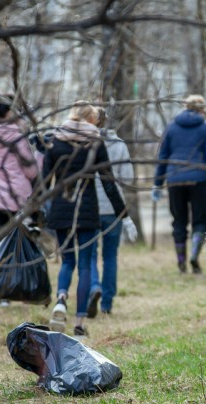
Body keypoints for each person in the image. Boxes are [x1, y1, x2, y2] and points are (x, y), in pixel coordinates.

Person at [42, 101, 127, 337]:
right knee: (86, 264)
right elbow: (108, 181)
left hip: (61, 209)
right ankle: (79, 323)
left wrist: (32, 207)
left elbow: (44, 181)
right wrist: (122, 211)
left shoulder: (55, 141)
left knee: (67, 260)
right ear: (91, 118)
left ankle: (60, 299)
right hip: (88, 211)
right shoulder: (94, 142)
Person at [154, 94, 206, 274]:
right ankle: (194, 255)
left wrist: (157, 183)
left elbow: (162, 157)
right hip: (198, 180)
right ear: (202, 109)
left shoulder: (171, 127)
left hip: (174, 179)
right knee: (200, 220)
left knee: (179, 221)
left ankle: (181, 262)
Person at [87, 107, 138, 317]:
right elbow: (127, 178)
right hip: (113, 208)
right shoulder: (118, 145)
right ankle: (106, 304)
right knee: (110, 256)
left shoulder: (83, 143)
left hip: (89, 207)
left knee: (89, 255)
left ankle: (93, 287)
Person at [0, 97, 38, 230]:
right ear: (9, 113)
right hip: (18, 199)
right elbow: (31, 170)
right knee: (23, 247)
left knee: (5, 246)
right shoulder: (16, 137)